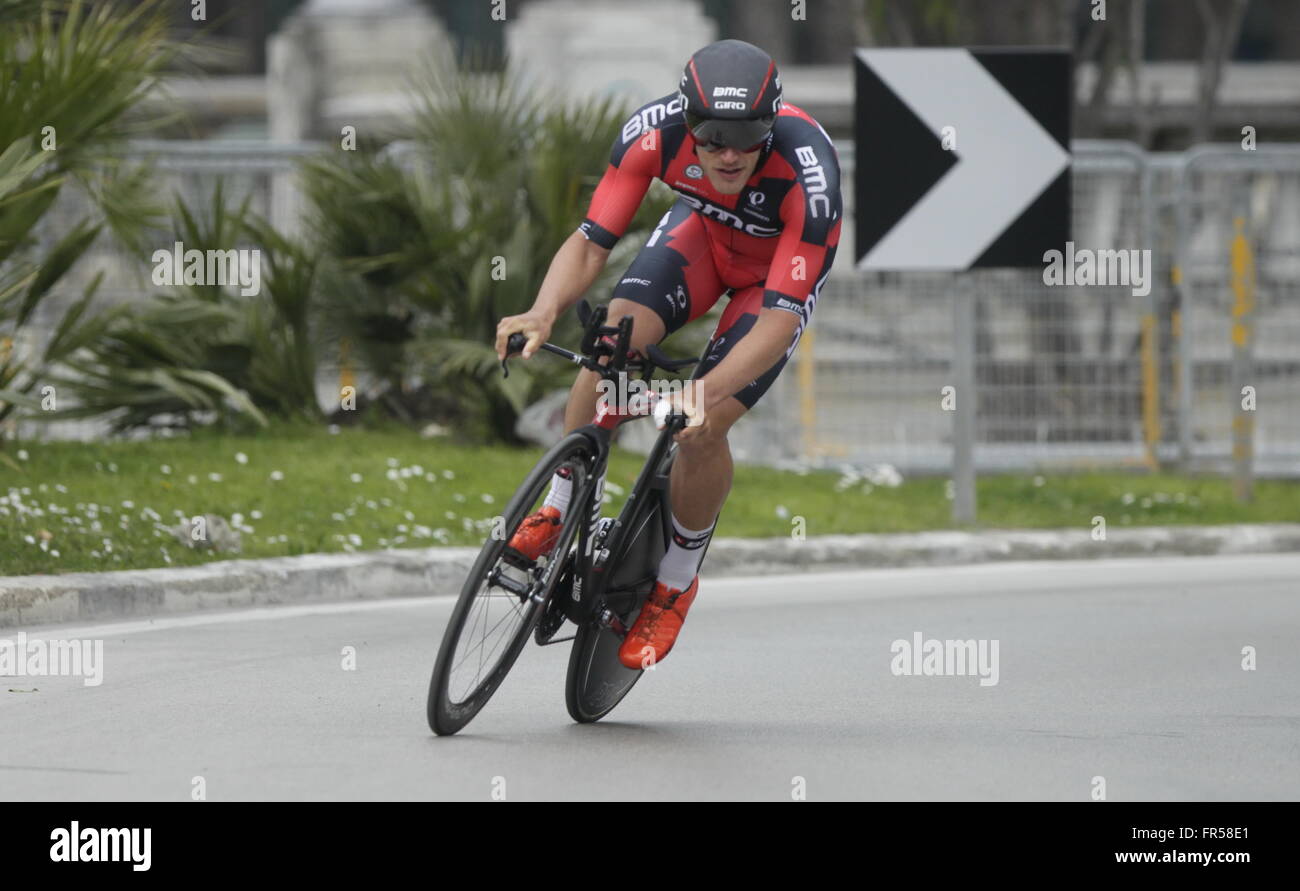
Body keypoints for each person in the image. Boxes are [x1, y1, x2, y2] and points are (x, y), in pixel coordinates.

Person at [494, 38, 842, 670]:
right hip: (704, 241)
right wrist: (541, 312)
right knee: (612, 344)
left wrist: (699, 397)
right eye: (711, 137)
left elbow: (779, 320)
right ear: (687, 123)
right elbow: (590, 242)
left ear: (773, 124)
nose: (730, 154)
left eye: (748, 136)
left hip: (770, 288)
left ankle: (675, 583)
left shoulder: (809, 174)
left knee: (702, 430)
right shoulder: (650, 135)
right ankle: (562, 505)